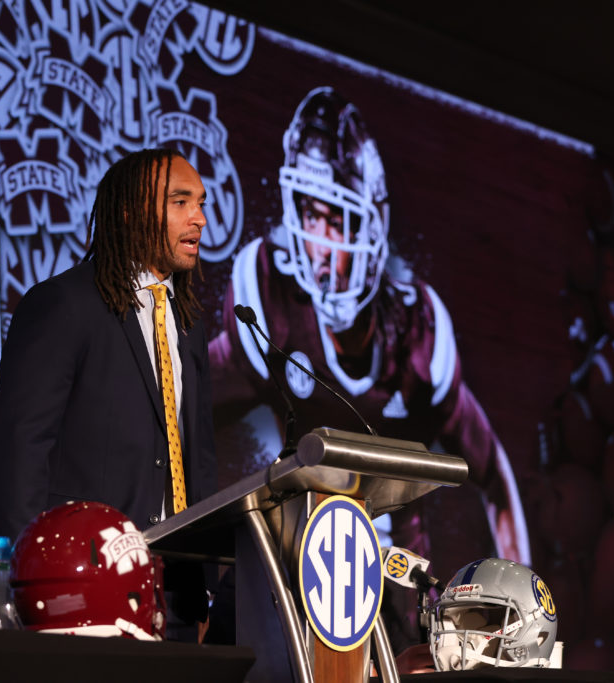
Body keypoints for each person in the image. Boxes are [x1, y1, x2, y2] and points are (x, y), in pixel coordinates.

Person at [207, 87, 530, 648]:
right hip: (302, 589)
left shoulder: (418, 336)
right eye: (311, 212)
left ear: (374, 226)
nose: (321, 244)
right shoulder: (271, 308)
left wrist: (520, 619)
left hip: (399, 600)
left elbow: (494, 477)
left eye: (337, 217)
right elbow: (184, 404)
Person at [0, 148, 217, 638]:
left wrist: (203, 587)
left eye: (200, 203)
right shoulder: (63, 304)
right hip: (80, 587)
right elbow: (20, 449)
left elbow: (199, 462)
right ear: (131, 212)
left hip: (172, 590)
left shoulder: (189, 324)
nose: (199, 218)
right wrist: (30, 580)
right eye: (180, 202)